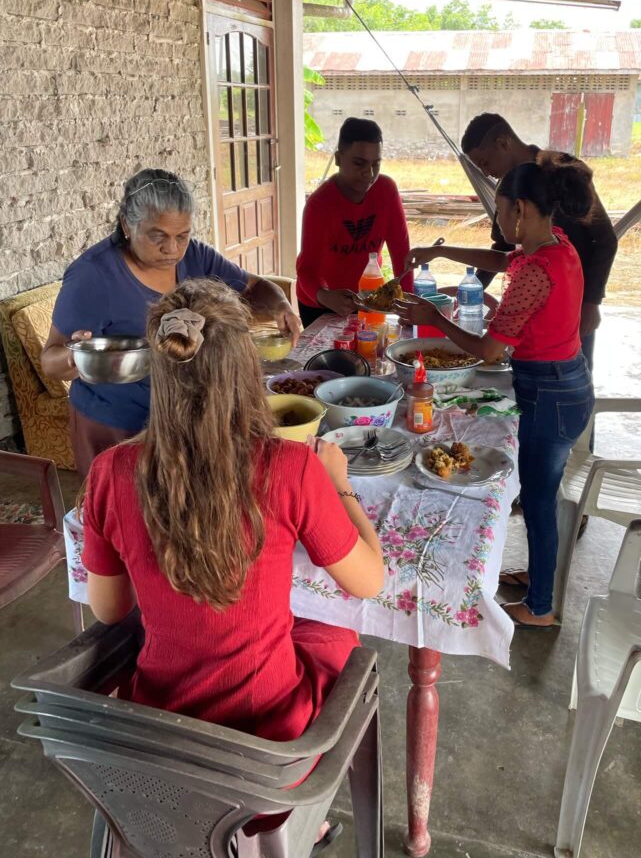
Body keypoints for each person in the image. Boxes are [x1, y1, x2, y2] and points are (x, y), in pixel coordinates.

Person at [81, 279, 384, 853]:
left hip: (163, 741)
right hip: (270, 756)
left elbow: (108, 609)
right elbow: (370, 581)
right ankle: (297, 822)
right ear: (248, 368)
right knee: (336, 636)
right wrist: (339, 485)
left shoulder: (113, 472)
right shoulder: (290, 466)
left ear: (159, 372)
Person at [396, 154, 595, 628]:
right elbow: (502, 259)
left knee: (540, 500)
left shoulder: (534, 272)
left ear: (520, 210)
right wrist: (442, 253)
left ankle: (541, 608)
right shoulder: (556, 245)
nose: (497, 221)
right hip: (568, 385)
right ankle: (539, 576)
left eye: (500, 212)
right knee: (541, 492)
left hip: (551, 395)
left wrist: (433, 319)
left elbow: (488, 350)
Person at [41, 169, 301, 479]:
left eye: (182, 235)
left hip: (183, 415)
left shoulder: (196, 257)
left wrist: (280, 304)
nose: (172, 249)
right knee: (124, 513)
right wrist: (78, 357)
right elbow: (50, 361)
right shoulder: (92, 277)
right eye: (158, 236)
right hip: (118, 423)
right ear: (127, 225)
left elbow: (254, 287)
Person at [460, 114, 617, 373]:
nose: (485, 172)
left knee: (573, 368)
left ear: (503, 142)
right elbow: (502, 249)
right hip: (537, 302)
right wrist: (473, 289)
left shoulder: (560, 170)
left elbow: (604, 239)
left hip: (572, 302)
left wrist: (591, 302)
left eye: (485, 162)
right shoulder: (508, 187)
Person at [296, 117, 413, 328]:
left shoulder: (386, 190)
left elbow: (402, 254)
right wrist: (325, 296)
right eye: (359, 163)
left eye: (375, 164)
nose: (368, 174)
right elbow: (306, 270)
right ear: (339, 158)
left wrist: (409, 305)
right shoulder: (319, 204)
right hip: (321, 301)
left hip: (368, 297)